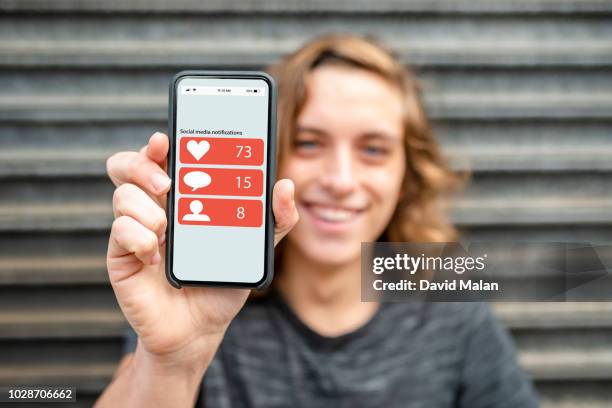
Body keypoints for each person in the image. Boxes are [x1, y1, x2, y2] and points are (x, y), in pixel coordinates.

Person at [96, 35, 539, 407]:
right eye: (309, 143)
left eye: (373, 150)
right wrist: (172, 362)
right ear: (269, 157)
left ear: (407, 174)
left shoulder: (452, 312)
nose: (341, 181)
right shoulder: (193, 298)